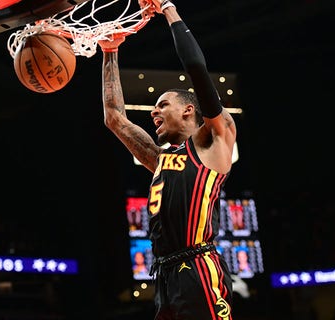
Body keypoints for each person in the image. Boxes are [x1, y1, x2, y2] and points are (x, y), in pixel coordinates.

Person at [98, 0, 237, 318]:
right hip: (165, 275)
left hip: (198, 269)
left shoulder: (214, 141)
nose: (153, 111)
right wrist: (110, 51)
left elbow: (197, 69)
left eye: (162, 104)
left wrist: (167, 8)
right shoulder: (160, 159)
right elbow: (114, 118)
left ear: (189, 109)